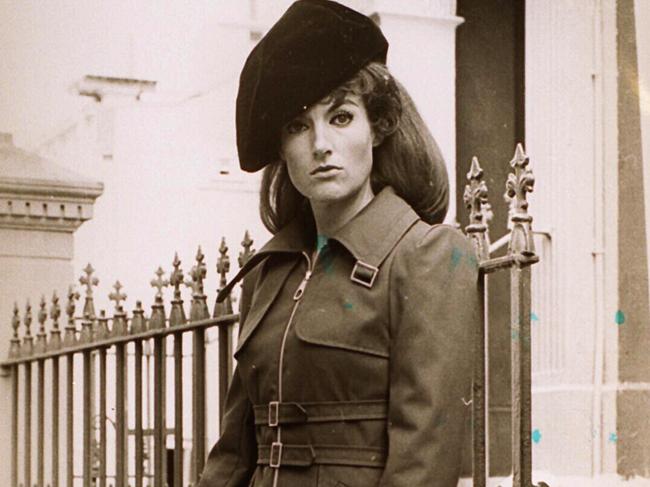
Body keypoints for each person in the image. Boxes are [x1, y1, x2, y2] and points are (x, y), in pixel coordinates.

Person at [198, 1, 480, 486]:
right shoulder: (268, 273)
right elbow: (233, 453)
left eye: (342, 117)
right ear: (282, 150)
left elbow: (424, 461)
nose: (320, 144)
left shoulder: (428, 256)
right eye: (297, 125)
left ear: (379, 126)